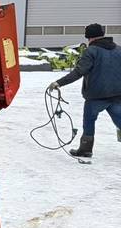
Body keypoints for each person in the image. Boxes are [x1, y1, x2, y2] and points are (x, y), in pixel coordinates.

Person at [48, 23, 121, 158]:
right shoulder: (118, 49)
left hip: (96, 95)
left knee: (89, 121)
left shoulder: (91, 51)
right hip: (117, 94)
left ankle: (86, 149)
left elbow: (79, 72)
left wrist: (59, 83)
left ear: (90, 37)